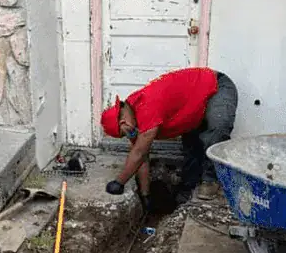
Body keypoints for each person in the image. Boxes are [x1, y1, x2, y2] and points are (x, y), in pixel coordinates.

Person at [101, 67, 238, 204]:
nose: (128, 135)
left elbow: (139, 154)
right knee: (192, 145)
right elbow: (142, 158)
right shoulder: (133, 118)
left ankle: (210, 180)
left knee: (217, 127)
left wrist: (119, 183)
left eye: (123, 133)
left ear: (123, 122)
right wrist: (145, 195)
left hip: (216, 86)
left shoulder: (147, 107)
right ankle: (188, 188)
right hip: (193, 105)